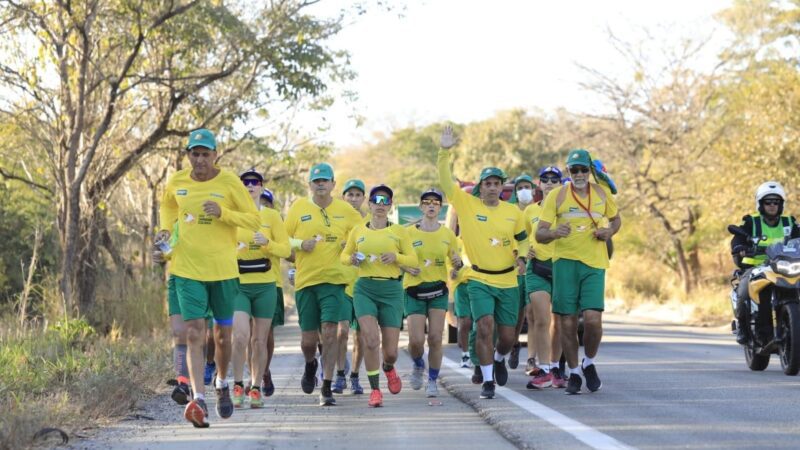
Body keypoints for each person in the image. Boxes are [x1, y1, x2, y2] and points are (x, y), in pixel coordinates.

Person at [157, 128, 260, 427]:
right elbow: (168, 205)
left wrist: (224, 213)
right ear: (188, 154)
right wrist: (166, 228)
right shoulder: (177, 181)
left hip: (223, 271)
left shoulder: (228, 182)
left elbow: (253, 219)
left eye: (205, 154)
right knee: (193, 333)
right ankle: (198, 397)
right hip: (187, 269)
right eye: (194, 153)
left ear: (215, 155)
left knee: (222, 338)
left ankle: (222, 382)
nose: (199, 159)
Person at [438, 126, 528, 399]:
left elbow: (523, 239)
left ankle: (500, 358)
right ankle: (488, 380)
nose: (491, 188)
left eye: (496, 184)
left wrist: (522, 257)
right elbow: (444, 182)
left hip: (508, 279)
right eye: (487, 183)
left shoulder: (513, 212)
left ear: (502, 188)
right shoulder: (467, 204)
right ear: (481, 186)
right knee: (485, 324)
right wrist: (444, 151)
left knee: (508, 336)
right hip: (478, 278)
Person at [535, 149, 621, 395]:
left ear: (590, 171)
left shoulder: (602, 193)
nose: (579, 174)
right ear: (568, 172)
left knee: (593, 321)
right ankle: (573, 371)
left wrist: (609, 232)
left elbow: (616, 220)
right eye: (575, 170)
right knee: (567, 322)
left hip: (594, 263)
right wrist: (553, 233)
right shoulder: (557, 197)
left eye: (584, 169)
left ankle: (589, 362)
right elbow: (539, 234)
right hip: (564, 263)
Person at [285, 163, 362, 406]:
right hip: (306, 282)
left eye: (325, 180)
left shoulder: (347, 211)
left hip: (335, 282)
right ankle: (311, 364)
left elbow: (363, 239)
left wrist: (350, 247)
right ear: (310, 184)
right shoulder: (298, 208)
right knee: (309, 342)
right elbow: (282, 242)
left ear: (332, 184)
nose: (320, 184)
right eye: (316, 181)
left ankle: (327, 387)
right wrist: (299, 244)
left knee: (330, 331)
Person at [341, 184, 418, 407]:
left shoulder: (399, 231)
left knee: (391, 352)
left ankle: (388, 367)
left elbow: (413, 260)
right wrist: (352, 258)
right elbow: (344, 256)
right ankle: (375, 390)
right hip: (364, 288)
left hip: (392, 291)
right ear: (370, 204)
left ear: (390, 205)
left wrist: (396, 258)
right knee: (371, 340)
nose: (381, 205)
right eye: (377, 200)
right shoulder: (358, 231)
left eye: (386, 201)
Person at [230, 169, 290, 408]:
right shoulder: (232, 215)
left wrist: (268, 244)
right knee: (240, 337)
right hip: (239, 285)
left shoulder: (272, 216)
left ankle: (255, 387)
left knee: (259, 341)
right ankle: (237, 385)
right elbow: (220, 246)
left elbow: (285, 250)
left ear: (261, 187)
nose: (250, 186)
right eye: (245, 182)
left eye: (254, 182)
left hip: (265, 285)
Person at [402, 188, 461, 397]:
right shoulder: (408, 233)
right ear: (421, 207)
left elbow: (456, 263)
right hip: (414, 291)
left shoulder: (447, 235)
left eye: (436, 202)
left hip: (437, 290)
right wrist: (406, 267)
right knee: (416, 341)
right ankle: (418, 364)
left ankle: (433, 380)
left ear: (440, 208)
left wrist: (456, 266)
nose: (431, 205)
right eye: (427, 202)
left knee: (435, 338)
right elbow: (397, 259)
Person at [731, 181, 800, 344]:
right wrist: (740, 246)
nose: (772, 205)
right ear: (760, 204)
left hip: (784, 265)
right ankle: (742, 327)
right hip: (755, 266)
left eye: (776, 202)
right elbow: (738, 237)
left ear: (781, 204)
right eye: (767, 202)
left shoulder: (789, 222)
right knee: (743, 290)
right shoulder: (751, 222)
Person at [523, 166, 566, 389]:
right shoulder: (530, 211)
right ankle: (545, 369)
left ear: (561, 183)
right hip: (537, 269)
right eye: (545, 179)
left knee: (558, 322)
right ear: (538, 184)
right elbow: (518, 236)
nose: (549, 183)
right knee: (541, 319)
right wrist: (523, 251)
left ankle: (556, 366)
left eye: (554, 179)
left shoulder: (568, 209)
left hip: (561, 268)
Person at [337, 179, 369, 395]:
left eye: (358, 195)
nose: (354, 199)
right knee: (341, 332)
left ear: (364, 199)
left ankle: (355, 376)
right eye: (350, 195)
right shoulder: (336, 222)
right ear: (343, 197)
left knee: (362, 335)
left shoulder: (370, 224)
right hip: (341, 284)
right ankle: (339, 374)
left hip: (364, 286)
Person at [508, 174, 536, 370]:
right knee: (517, 316)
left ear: (534, 190)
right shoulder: (509, 212)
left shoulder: (541, 209)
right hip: (517, 269)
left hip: (537, 268)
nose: (524, 190)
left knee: (533, 314)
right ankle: (514, 343)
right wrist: (519, 253)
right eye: (520, 187)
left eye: (527, 186)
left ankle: (532, 359)